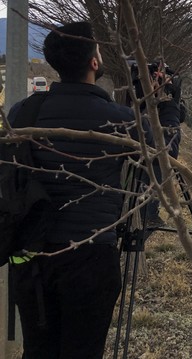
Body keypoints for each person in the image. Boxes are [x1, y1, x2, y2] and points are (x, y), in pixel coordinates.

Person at [7, 22, 181, 359]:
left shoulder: (23, 112)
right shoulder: (118, 120)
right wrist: (170, 106)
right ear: (94, 63)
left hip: (31, 259)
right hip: (90, 257)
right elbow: (165, 157)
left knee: (38, 351)